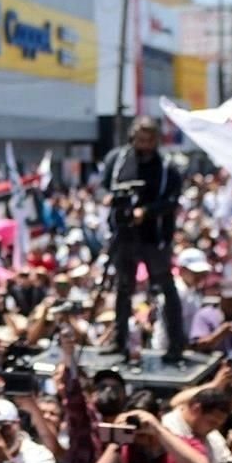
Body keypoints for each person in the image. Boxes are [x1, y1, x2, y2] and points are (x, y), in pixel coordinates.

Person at [100, 116, 185, 362]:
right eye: (140, 139)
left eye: (149, 140)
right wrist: (109, 198)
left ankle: (176, 345)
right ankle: (119, 342)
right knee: (123, 289)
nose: (144, 144)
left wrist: (146, 212)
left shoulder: (167, 167)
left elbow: (172, 200)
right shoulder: (117, 160)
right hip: (124, 235)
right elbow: (102, 186)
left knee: (165, 290)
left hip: (153, 237)